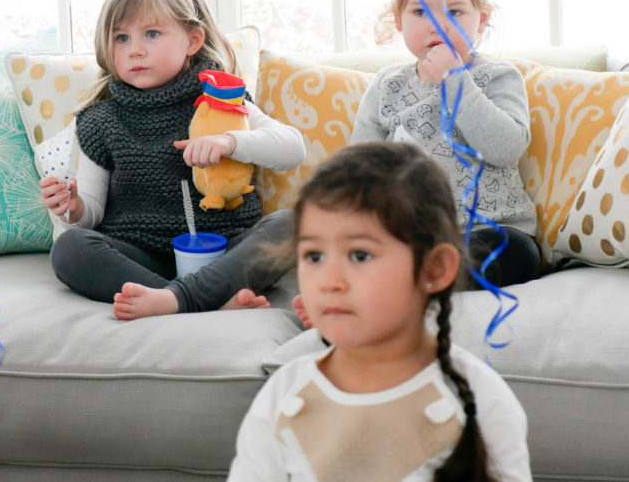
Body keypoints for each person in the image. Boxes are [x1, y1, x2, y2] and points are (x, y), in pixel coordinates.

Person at [228, 142, 532, 482]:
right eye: (314, 256)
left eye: (359, 255)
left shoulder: (481, 401)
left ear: (434, 269)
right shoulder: (283, 395)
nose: (329, 281)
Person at [38, 0, 306, 319]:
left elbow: (292, 148)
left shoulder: (220, 100)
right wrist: (74, 208)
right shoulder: (101, 120)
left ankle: (174, 301)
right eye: (121, 38)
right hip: (142, 257)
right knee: (69, 248)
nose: (135, 50)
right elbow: (92, 211)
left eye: (151, 34)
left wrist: (230, 142)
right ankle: (197, 299)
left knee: (293, 224)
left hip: (223, 252)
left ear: (192, 40)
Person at [351, 0, 542, 288]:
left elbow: (505, 147)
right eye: (421, 13)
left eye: (454, 12)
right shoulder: (388, 86)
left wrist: (455, 79)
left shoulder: (498, 77)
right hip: (412, 239)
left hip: (491, 230)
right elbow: (359, 171)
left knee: (513, 252)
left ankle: (408, 285)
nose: (437, 25)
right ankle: (383, 284)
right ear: (398, 18)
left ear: (481, 20)